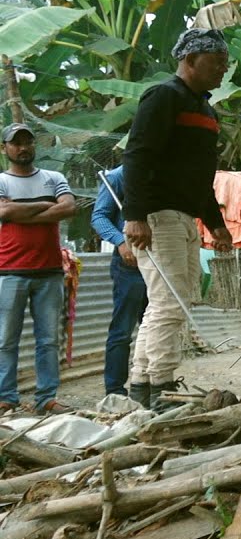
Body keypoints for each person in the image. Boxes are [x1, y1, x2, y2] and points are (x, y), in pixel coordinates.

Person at [123, 28, 233, 410]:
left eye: (225, 62)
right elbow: (137, 155)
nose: (223, 69)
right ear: (189, 60)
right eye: (215, 62)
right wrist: (135, 215)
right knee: (170, 305)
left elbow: (200, 177)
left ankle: (141, 386)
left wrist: (215, 222)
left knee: (168, 303)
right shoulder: (164, 96)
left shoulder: (205, 110)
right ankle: (162, 387)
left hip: (185, 217)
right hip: (158, 215)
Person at [0, 123, 76, 415]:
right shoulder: (2, 181)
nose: (23, 148)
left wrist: (19, 212)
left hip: (49, 271)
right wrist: (45, 207)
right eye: (16, 143)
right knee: (6, 339)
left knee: (48, 339)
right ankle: (7, 397)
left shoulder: (53, 177)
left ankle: (47, 398)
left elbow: (68, 208)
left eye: (27, 142)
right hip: (9, 271)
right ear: (5, 148)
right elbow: (3, 212)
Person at [91, 165, 148, 399]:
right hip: (130, 263)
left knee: (153, 324)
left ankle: (150, 382)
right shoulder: (116, 177)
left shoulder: (162, 172)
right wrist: (120, 242)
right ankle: (114, 390)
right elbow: (99, 216)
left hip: (159, 260)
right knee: (123, 329)